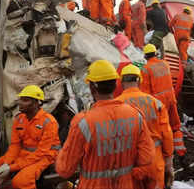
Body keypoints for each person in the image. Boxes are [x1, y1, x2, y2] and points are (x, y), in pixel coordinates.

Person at [55, 60, 154, 189]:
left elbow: (65, 169)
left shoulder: (83, 122)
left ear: (92, 87)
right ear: (115, 84)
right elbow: (146, 159)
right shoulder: (136, 115)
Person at [116, 64, 174, 189]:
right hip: (154, 159)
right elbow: (167, 133)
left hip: (131, 163)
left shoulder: (116, 105)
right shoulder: (155, 103)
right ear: (139, 80)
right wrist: (169, 162)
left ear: (121, 82)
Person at [0, 85, 61, 189]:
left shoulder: (49, 122)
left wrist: (11, 168)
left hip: (45, 157)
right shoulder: (19, 119)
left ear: (36, 103)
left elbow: (41, 153)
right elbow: (15, 146)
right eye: (20, 99)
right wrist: (6, 163)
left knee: (20, 182)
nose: (20, 103)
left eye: (25, 100)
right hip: (25, 155)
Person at [140, 44, 186, 158]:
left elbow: (146, 93)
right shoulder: (165, 64)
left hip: (159, 103)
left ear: (145, 56)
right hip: (171, 99)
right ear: (156, 53)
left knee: (162, 129)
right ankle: (181, 153)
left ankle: (166, 153)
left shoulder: (145, 69)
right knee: (175, 125)